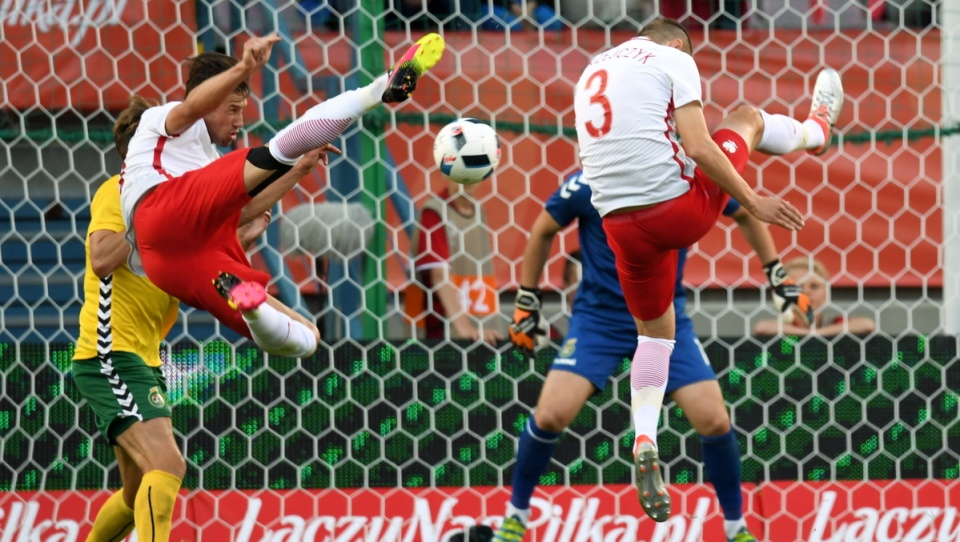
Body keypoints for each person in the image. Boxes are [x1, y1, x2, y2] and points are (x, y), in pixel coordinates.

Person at [570, 17, 841, 523]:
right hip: (676, 211)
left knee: (654, 332)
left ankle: (645, 437)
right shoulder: (673, 57)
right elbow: (696, 145)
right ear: (676, 43)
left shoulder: (591, 70)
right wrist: (752, 199)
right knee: (744, 118)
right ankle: (816, 131)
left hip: (620, 228)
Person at [495, 170, 812, 542]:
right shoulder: (592, 178)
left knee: (714, 420)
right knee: (550, 414)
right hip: (600, 320)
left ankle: (736, 527)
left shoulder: (686, 175)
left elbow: (743, 212)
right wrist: (526, 302)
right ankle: (515, 516)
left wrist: (778, 275)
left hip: (664, 315)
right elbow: (542, 229)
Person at [116, 32, 445, 358]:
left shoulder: (208, 164)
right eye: (232, 108)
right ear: (212, 99)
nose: (239, 121)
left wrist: (300, 170)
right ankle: (376, 90)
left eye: (242, 109)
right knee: (274, 152)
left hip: (178, 260)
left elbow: (241, 213)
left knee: (307, 335)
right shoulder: (159, 119)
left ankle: (251, 308)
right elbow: (191, 107)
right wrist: (244, 68)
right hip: (159, 211)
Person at [73, 110, 314, 542]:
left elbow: (228, 224)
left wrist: (297, 170)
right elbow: (102, 257)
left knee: (134, 493)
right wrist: (149, 225)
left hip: (141, 358)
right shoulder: (120, 191)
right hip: (110, 351)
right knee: (168, 466)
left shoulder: (175, 214)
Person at [406, 176, 504, 345]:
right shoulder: (434, 212)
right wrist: (466, 330)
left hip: (479, 333)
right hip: (441, 339)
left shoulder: (479, 212)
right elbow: (439, 275)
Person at [753, 257, 877, 336]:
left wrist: (816, 334)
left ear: (826, 292)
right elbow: (762, 328)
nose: (806, 292)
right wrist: (810, 335)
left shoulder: (834, 323)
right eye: (799, 287)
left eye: (814, 286)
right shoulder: (782, 325)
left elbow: (867, 325)